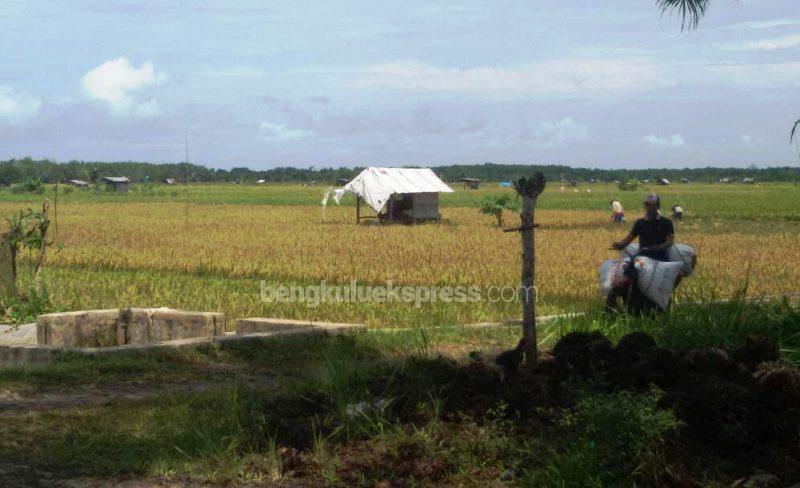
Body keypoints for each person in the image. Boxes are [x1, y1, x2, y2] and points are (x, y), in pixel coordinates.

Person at [611, 193, 674, 261]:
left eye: (652, 205)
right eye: (647, 205)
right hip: (642, 259)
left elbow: (669, 242)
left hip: (659, 259)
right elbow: (628, 240)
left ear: (658, 206)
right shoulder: (640, 223)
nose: (650, 208)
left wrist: (658, 247)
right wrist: (620, 245)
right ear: (645, 206)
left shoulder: (666, 222)